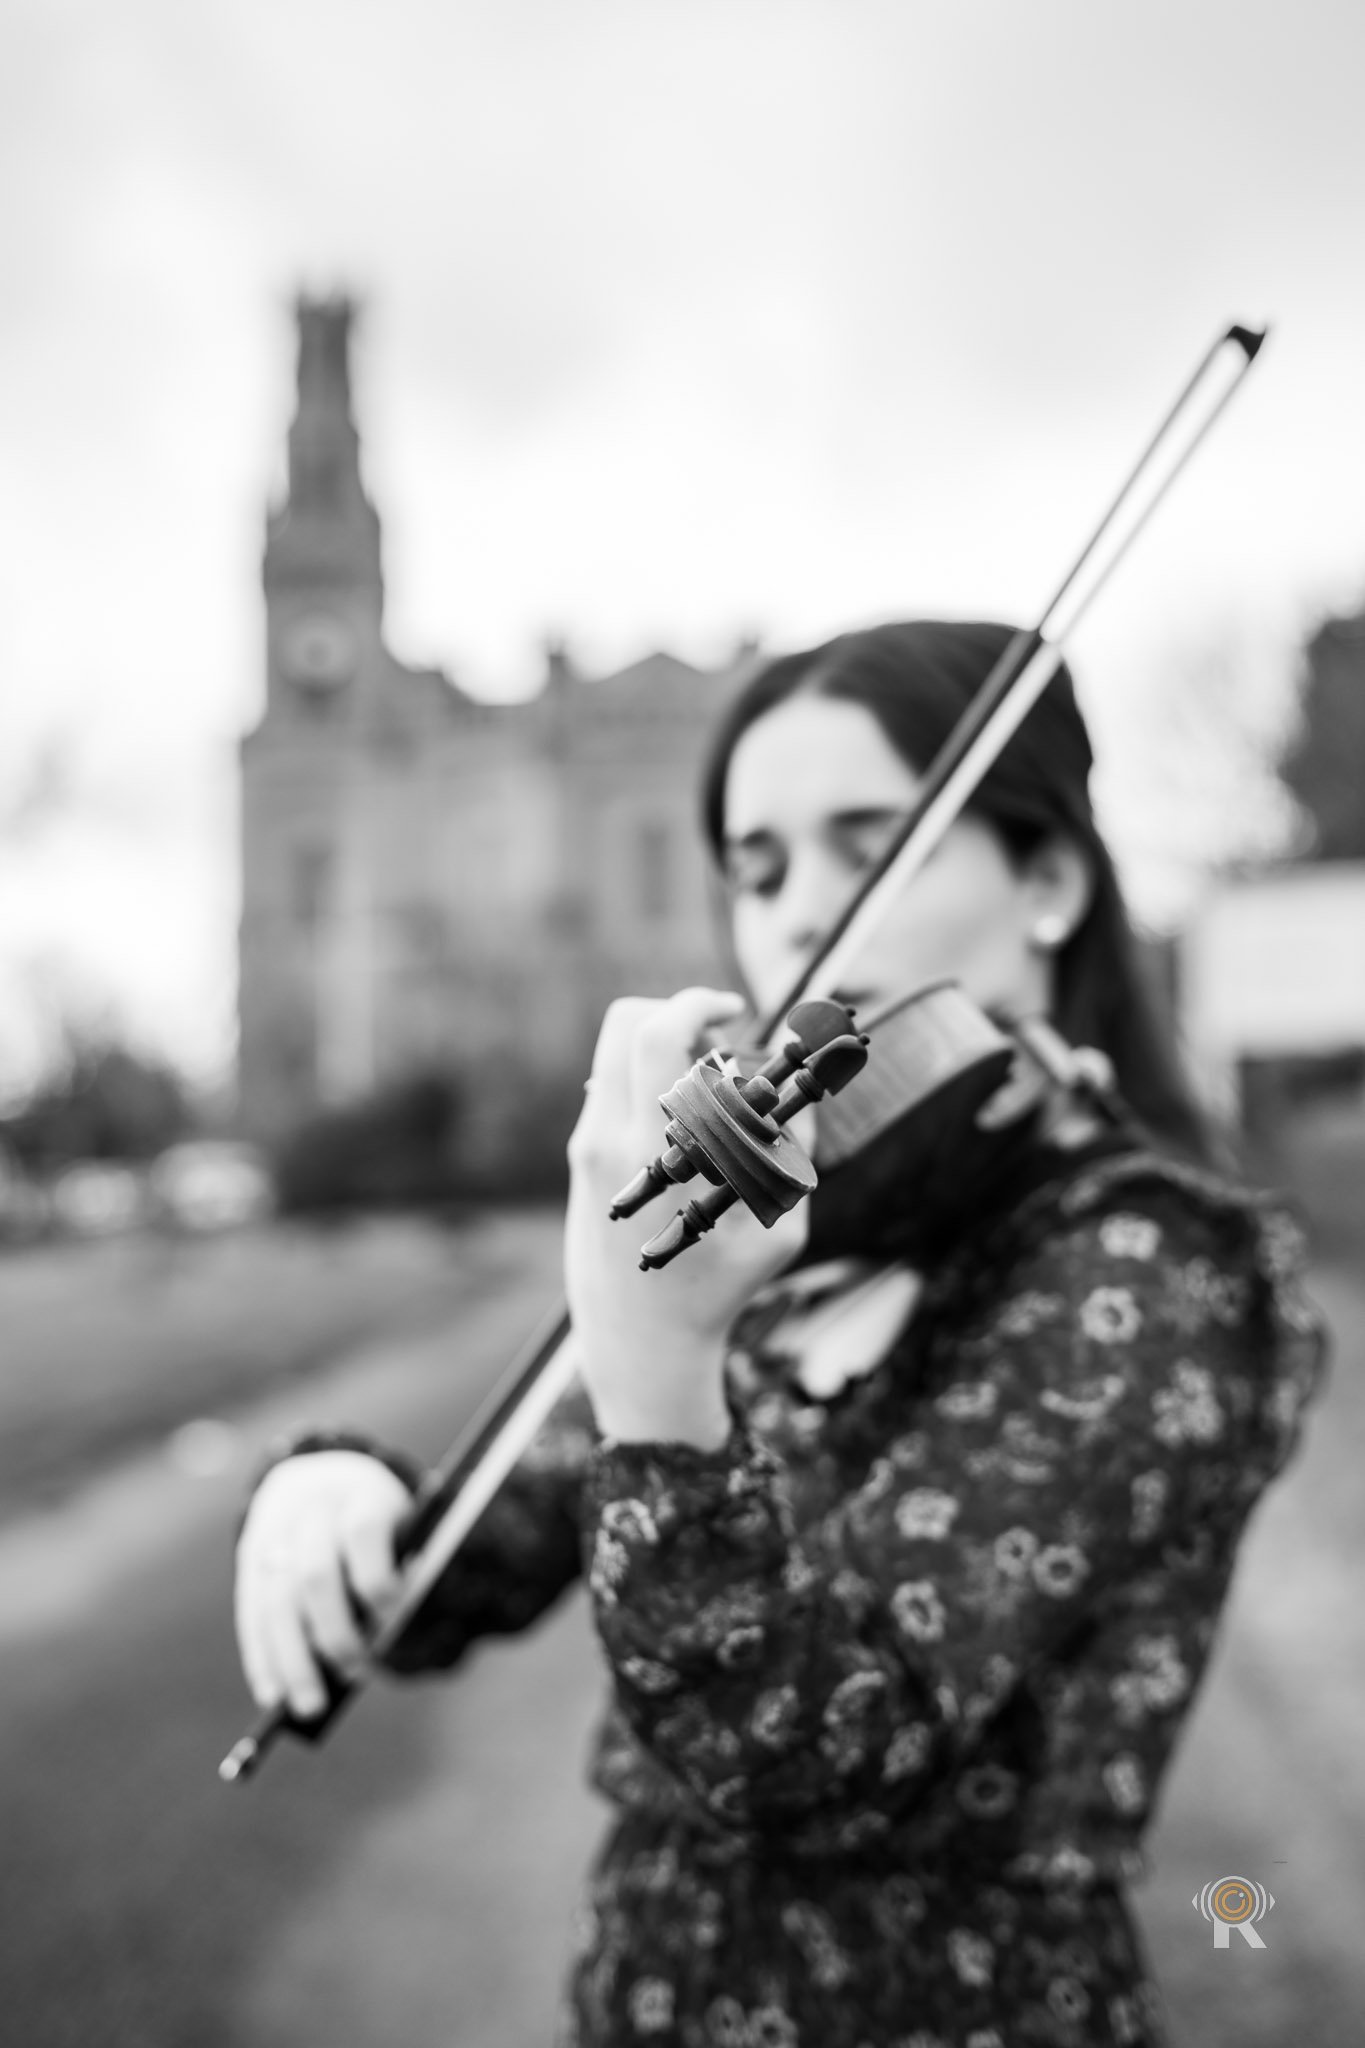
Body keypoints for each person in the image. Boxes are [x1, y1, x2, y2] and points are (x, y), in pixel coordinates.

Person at [235, 620, 1328, 2048]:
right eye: (756, 872)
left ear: (1048, 882)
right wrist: (344, 1497)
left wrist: (658, 1363)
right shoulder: (805, 1228)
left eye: (872, 846)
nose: (802, 915)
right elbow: (500, 1542)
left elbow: (813, 1752)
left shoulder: (1153, 1268)